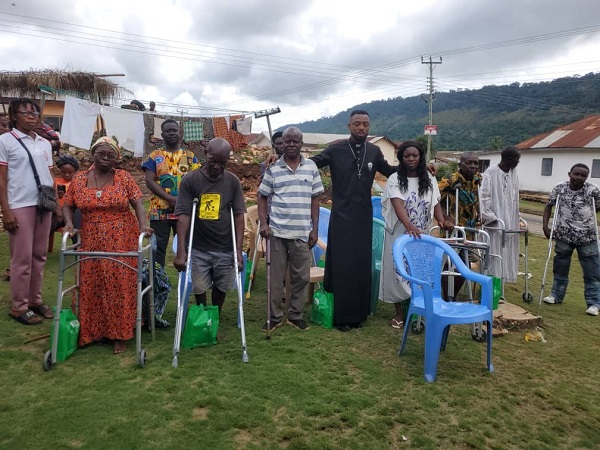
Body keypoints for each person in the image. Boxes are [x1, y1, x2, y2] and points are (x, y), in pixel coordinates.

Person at [62, 136, 153, 354]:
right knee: (92, 283)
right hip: (91, 237)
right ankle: (94, 332)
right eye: (101, 153)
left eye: (111, 155)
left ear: (117, 159)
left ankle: (119, 334)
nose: (105, 158)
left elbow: (137, 202)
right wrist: (67, 223)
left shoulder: (123, 177)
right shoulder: (79, 179)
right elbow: (67, 204)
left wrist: (143, 225)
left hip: (121, 236)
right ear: (93, 154)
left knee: (119, 285)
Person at [310, 110, 396, 331]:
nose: (361, 128)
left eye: (365, 124)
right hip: (341, 217)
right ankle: (339, 315)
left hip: (363, 217)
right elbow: (309, 164)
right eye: (357, 124)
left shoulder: (375, 151)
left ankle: (359, 313)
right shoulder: (335, 150)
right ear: (349, 126)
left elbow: (391, 171)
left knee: (359, 265)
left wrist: (419, 168)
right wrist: (282, 158)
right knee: (342, 265)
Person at [380, 141, 453, 328]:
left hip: (422, 233)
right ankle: (399, 313)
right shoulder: (395, 178)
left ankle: (419, 310)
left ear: (420, 157)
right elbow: (397, 203)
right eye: (407, 156)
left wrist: (441, 220)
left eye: (415, 155)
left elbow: (435, 201)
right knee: (398, 271)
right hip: (399, 232)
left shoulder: (428, 177)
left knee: (419, 271)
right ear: (401, 158)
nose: (411, 159)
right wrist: (409, 225)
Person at [258, 127, 323, 332]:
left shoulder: (311, 167)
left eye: (296, 141)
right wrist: (264, 223)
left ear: (302, 143)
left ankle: (295, 315)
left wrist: (315, 229)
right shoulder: (273, 168)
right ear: (281, 144)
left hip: (302, 232)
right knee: (275, 278)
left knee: (301, 277)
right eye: (288, 141)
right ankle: (275, 317)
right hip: (277, 232)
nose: (292, 144)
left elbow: (316, 199)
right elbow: (262, 196)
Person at [0, 98, 60, 325]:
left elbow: (50, 177)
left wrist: (58, 205)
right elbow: (1, 179)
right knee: (21, 258)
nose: (32, 116)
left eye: (35, 112)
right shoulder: (5, 141)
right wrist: (6, 210)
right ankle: (19, 306)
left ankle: (35, 300)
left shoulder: (44, 143)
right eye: (25, 112)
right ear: (14, 116)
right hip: (20, 204)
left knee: (39, 255)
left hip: (43, 204)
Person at [173, 138, 246, 315]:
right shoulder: (190, 180)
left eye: (223, 163)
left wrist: (238, 251)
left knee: (222, 286)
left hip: (225, 246)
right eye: (214, 161)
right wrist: (181, 251)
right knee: (199, 286)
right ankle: (202, 313)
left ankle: (214, 316)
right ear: (206, 154)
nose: (217, 166)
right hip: (199, 246)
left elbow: (238, 216)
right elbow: (183, 216)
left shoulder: (232, 182)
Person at [542, 164, 600, 316]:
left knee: (592, 270)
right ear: (570, 174)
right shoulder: (559, 188)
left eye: (583, 176)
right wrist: (545, 226)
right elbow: (549, 206)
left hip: (587, 236)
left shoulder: (593, 190)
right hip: (564, 234)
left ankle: (594, 303)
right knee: (560, 265)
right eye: (576, 174)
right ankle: (556, 295)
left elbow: (597, 208)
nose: (579, 178)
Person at [142, 119, 198, 268]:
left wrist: (182, 201)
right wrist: (170, 198)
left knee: (185, 247)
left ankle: (184, 283)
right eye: (168, 131)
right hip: (160, 211)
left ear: (180, 133)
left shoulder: (190, 156)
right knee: (158, 249)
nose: (172, 133)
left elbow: (197, 181)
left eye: (175, 130)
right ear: (162, 134)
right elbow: (149, 181)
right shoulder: (155, 156)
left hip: (184, 211)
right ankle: (157, 285)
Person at [479, 146, 521, 283]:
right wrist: (492, 219)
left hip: (509, 223)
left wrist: (517, 219)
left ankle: (501, 283)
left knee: (507, 254)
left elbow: (514, 199)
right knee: (493, 254)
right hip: (494, 223)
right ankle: (490, 282)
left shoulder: (514, 173)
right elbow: (484, 198)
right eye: (517, 159)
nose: (518, 162)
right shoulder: (490, 173)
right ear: (510, 159)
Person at [438, 152, 481, 228]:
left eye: (476, 163)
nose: (473, 166)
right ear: (460, 165)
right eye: (468, 163)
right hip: (452, 225)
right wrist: (445, 217)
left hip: (470, 225)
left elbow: (476, 196)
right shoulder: (450, 180)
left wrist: (479, 213)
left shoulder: (477, 179)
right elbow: (435, 199)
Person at [53, 154, 82, 241]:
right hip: (56, 213)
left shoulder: (79, 182)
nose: (67, 175)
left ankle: (76, 247)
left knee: (76, 220)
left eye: (70, 173)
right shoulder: (55, 182)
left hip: (71, 214)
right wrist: (57, 195)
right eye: (64, 172)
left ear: (76, 171)